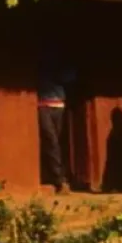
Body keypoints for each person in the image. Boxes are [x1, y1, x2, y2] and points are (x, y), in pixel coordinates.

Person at [37, 46, 77, 193]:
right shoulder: (40, 61)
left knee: (58, 141)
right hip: (42, 104)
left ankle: (60, 175)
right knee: (51, 139)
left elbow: (70, 77)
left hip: (59, 104)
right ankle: (58, 178)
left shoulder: (62, 62)